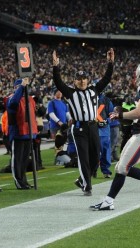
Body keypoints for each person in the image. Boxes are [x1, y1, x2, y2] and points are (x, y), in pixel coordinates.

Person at [90, 61, 140, 211]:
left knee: (123, 167)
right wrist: (122, 113)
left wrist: (120, 114)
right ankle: (109, 201)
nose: (135, 77)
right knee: (120, 167)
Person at [52, 48, 115, 196]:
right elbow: (58, 82)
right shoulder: (70, 93)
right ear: (74, 81)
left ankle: (82, 179)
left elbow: (106, 78)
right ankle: (87, 186)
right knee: (83, 158)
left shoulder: (94, 90)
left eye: (84, 79)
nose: (81, 81)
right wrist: (55, 66)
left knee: (96, 156)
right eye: (79, 79)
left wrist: (110, 62)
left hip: (93, 127)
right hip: (79, 128)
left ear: (87, 80)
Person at [7, 78, 38, 189]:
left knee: (24, 160)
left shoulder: (29, 99)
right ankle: (19, 181)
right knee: (17, 160)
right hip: (18, 133)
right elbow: (14, 102)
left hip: (28, 133)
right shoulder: (11, 98)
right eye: (21, 87)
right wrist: (22, 87)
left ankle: (23, 180)